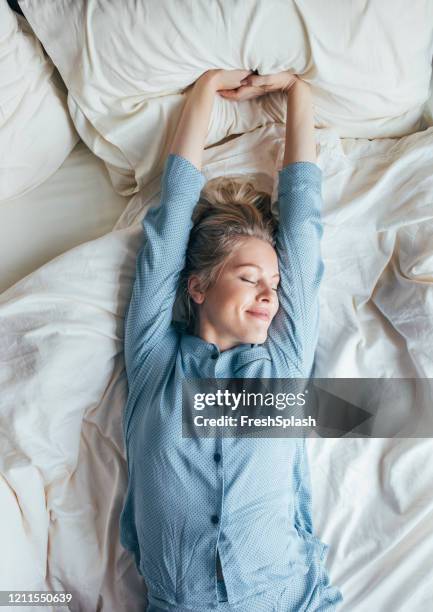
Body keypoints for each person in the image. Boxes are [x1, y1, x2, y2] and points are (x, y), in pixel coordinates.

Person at [120, 68, 343, 611]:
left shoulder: (282, 363)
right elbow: (168, 229)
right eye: (249, 278)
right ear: (197, 286)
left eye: (274, 283)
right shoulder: (155, 364)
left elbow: (302, 233)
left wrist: (299, 94)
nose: (269, 294)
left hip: (288, 599)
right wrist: (202, 97)